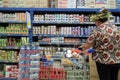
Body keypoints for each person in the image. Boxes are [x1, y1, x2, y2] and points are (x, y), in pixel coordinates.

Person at [81, 8, 120, 80]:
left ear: (97, 21)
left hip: (103, 60)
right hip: (116, 60)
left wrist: (82, 46)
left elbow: (88, 45)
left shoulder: (98, 30)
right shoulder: (116, 28)